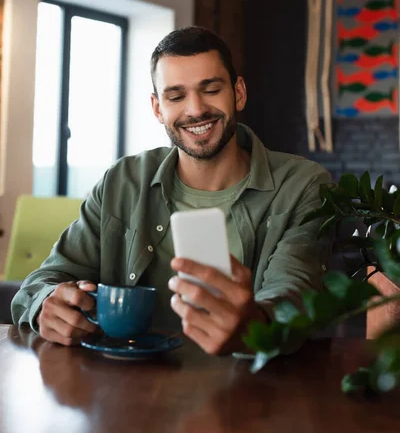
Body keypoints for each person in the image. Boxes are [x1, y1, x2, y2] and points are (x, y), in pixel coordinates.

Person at [12, 26, 332, 354]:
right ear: (157, 108)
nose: (195, 110)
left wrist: (255, 325)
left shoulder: (303, 185)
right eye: (176, 96)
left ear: (238, 93)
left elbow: (295, 292)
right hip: (127, 387)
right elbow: (43, 282)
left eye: (210, 89)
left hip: (251, 390)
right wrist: (45, 306)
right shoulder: (121, 181)